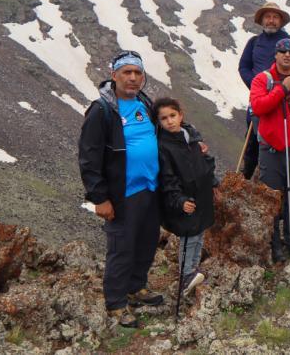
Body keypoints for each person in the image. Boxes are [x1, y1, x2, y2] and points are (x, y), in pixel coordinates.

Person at [79, 51, 163, 328]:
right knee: (121, 247)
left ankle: (136, 286)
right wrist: (99, 198)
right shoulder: (102, 110)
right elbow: (89, 157)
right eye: (126, 72)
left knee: (147, 240)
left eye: (137, 73)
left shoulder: (144, 103)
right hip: (122, 193)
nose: (132, 78)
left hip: (150, 188)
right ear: (114, 75)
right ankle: (116, 302)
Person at [249, 38, 290, 262]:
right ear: (275, 54)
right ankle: (274, 245)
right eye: (282, 51)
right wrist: (283, 89)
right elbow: (259, 106)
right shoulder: (263, 79)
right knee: (272, 198)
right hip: (271, 149)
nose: (286, 55)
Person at [154, 97, 218, 296]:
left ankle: (193, 268)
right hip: (186, 200)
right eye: (164, 118)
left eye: (172, 116)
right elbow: (167, 179)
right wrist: (179, 201)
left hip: (202, 195)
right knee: (189, 236)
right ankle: (186, 274)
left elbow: (204, 162)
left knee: (199, 234)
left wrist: (213, 181)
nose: (169, 121)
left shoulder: (191, 136)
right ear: (159, 122)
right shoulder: (163, 146)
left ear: (180, 115)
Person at [238, 2, 290, 180]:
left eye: (275, 17)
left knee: (280, 137)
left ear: (281, 21)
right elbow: (244, 67)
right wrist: (257, 85)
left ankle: (275, 178)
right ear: (262, 20)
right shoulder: (254, 42)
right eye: (268, 17)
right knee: (253, 140)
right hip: (259, 98)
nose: (271, 20)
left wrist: (285, 88)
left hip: (285, 98)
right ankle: (247, 177)